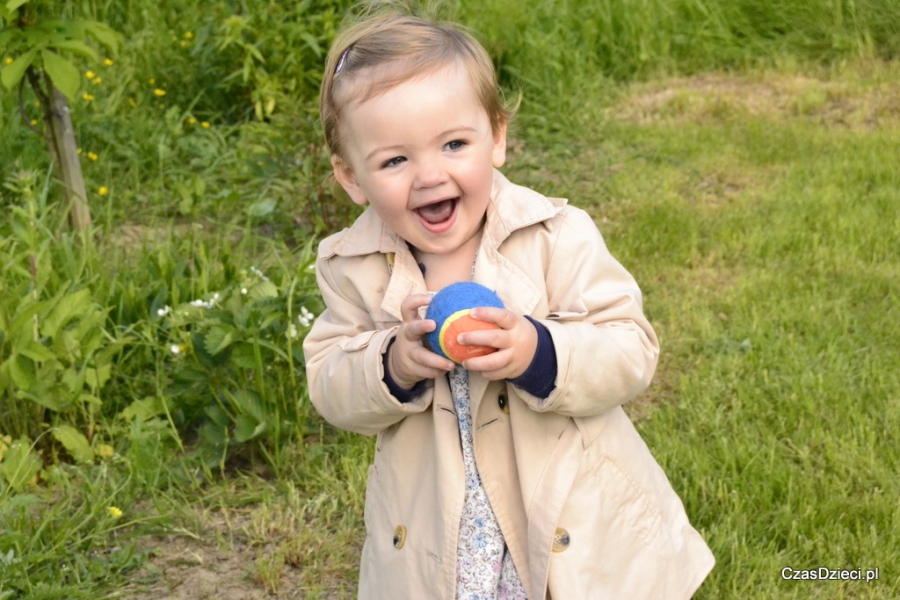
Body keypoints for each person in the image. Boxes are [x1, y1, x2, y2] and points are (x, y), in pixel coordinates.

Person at [303, 2, 715, 598]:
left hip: (560, 514)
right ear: (351, 178)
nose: (428, 176)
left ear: (496, 136)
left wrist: (538, 350)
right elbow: (330, 383)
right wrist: (390, 363)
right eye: (394, 160)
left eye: (452, 144)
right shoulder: (354, 267)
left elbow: (630, 348)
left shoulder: (554, 235)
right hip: (440, 526)